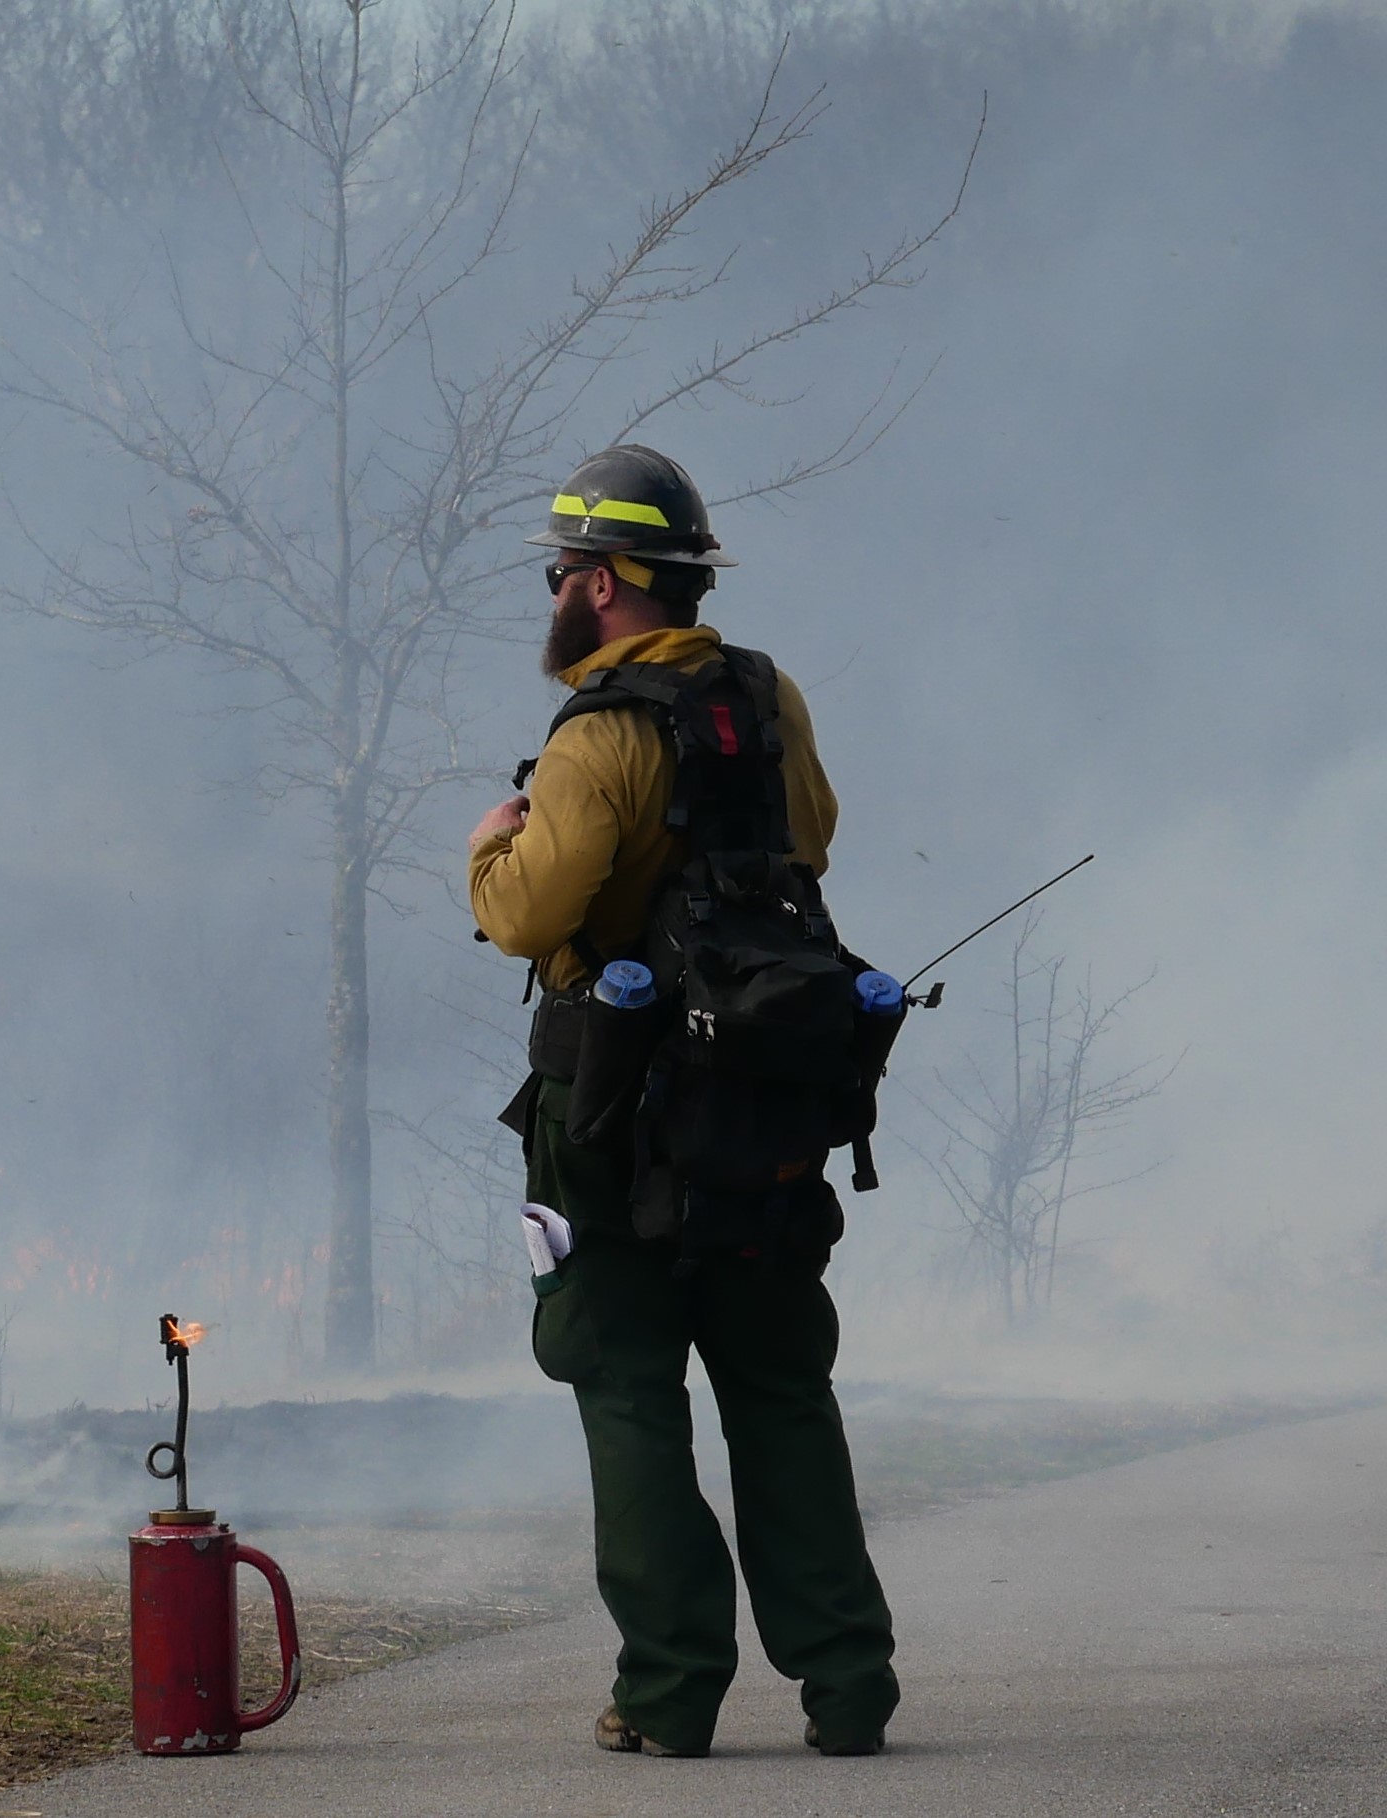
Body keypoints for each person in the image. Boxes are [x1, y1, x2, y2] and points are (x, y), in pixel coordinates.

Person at [464, 444, 899, 1760]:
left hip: (609, 1110)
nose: (556, 592)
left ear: (601, 582)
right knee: (780, 1386)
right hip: (767, 1102)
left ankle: (669, 1694)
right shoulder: (769, 701)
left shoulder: (596, 737)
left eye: (560, 572)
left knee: (629, 1387)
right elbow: (812, 840)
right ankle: (848, 1686)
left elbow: (529, 915)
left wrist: (491, 846)